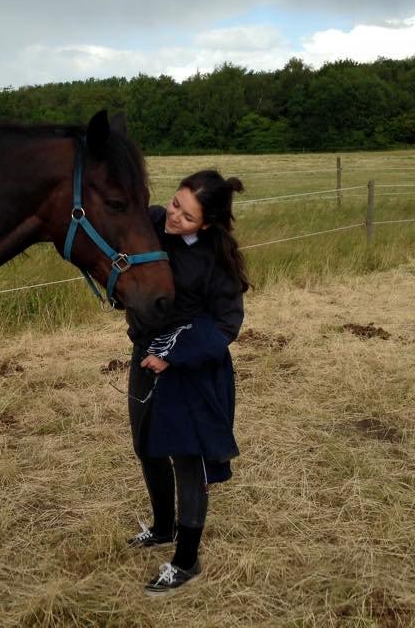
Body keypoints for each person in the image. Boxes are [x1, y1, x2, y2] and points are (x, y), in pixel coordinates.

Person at [125, 169, 250, 596]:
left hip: (193, 367)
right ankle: (161, 527)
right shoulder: (154, 222)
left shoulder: (215, 259)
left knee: (186, 460)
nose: (174, 217)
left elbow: (228, 324)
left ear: (208, 224)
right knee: (147, 444)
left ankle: (186, 559)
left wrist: (173, 357)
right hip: (145, 354)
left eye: (187, 216)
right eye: (176, 204)